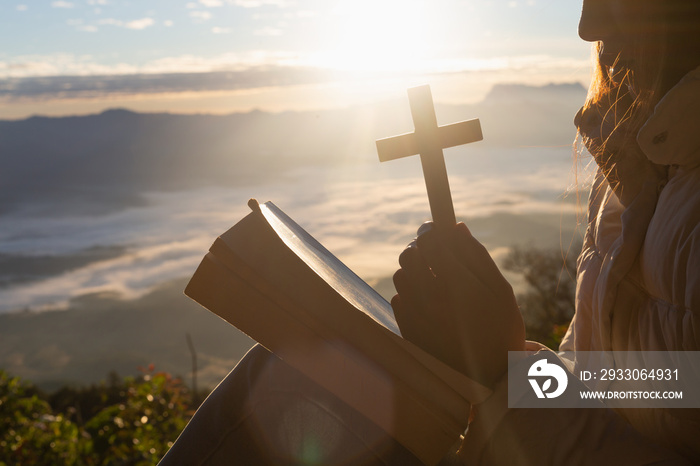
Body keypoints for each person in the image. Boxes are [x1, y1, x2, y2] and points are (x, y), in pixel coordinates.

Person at [160, 0, 700, 463]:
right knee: (312, 365)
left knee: (292, 389)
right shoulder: (639, 175)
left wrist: (502, 371)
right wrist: (489, 369)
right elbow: (628, 383)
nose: (589, 25)